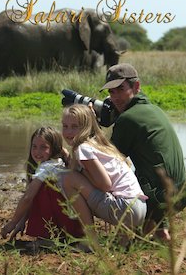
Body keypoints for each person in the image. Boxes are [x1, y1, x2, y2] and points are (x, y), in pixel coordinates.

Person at [99, 63, 186, 241]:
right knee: (147, 169)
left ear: (136, 86)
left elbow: (106, 162)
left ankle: (133, 234)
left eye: (120, 89)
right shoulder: (154, 110)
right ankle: (162, 231)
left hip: (159, 198)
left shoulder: (128, 119)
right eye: (111, 92)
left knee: (110, 177)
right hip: (180, 195)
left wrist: (91, 130)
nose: (115, 97)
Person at [60, 104, 147, 247]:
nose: (68, 131)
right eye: (65, 126)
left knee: (68, 179)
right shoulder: (99, 145)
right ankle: (122, 241)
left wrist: (78, 172)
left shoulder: (83, 148)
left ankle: (90, 241)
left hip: (125, 208)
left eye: (74, 126)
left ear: (86, 127)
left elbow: (105, 184)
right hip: (139, 207)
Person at [1, 126, 83, 241]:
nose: (37, 152)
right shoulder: (57, 163)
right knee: (38, 188)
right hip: (74, 224)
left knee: (41, 189)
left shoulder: (48, 167)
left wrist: (13, 222)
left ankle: (48, 237)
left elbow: (28, 198)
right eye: (34, 147)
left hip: (68, 224)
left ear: (54, 149)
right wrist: (22, 220)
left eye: (43, 147)